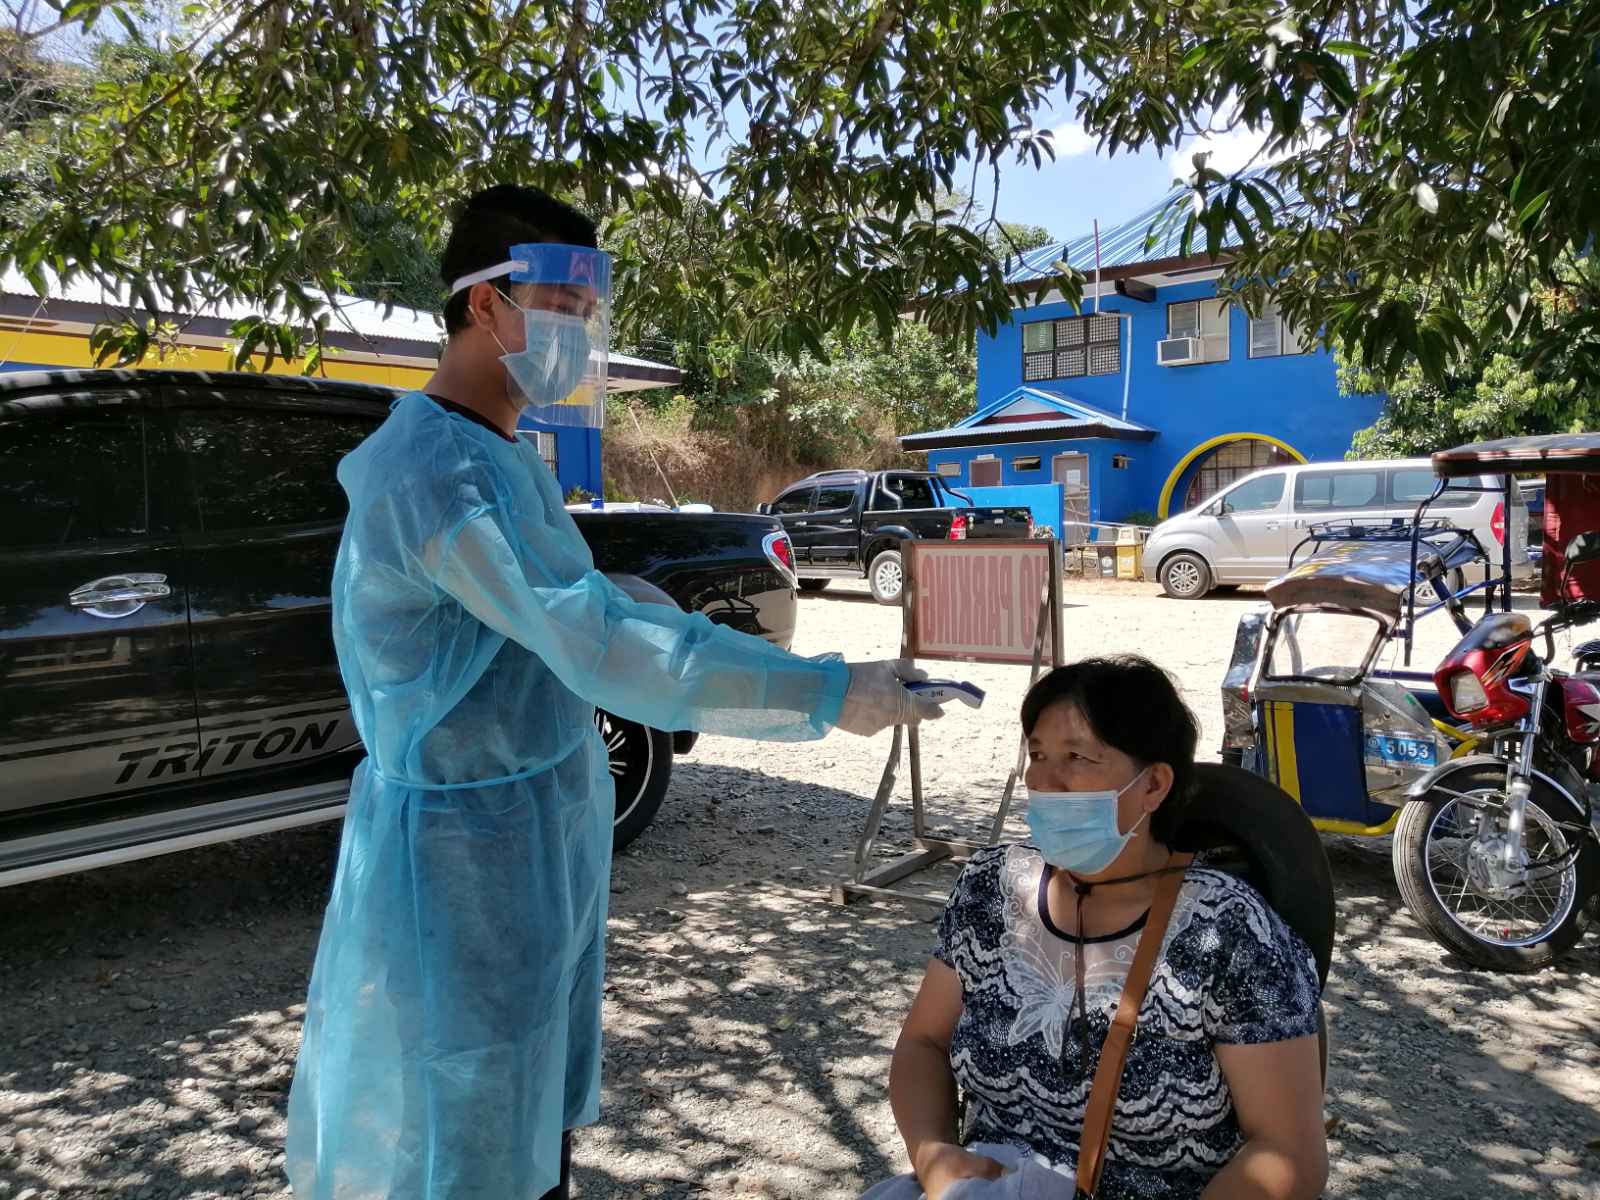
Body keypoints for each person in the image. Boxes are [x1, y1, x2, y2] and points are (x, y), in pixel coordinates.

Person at [284, 183, 942, 1200]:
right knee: (467, 1133)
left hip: (530, 836)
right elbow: (589, 637)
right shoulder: (431, 472)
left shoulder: (499, 456)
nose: (577, 339)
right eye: (563, 311)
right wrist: (817, 691)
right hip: (462, 858)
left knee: (530, 1108)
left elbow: (560, 608)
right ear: (484, 303)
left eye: (589, 317)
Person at [873, 656, 1327, 1200]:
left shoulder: (1229, 932)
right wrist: (934, 1154)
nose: (1041, 778)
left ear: (1154, 784)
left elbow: (1288, 1153)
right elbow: (923, 1041)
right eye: (1036, 753)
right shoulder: (990, 888)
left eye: (1076, 757)